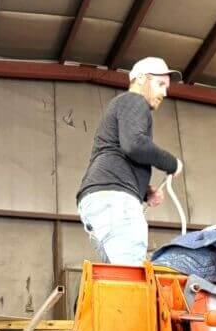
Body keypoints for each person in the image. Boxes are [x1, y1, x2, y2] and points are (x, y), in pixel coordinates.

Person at [76, 57, 184, 265]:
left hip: (100, 198)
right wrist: (172, 163)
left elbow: (117, 153)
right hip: (115, 201)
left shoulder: (120, 107)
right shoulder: (134, 100)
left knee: (117, 275)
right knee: (131, 275)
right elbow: (134, 145)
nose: (165, 93)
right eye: (160, 84)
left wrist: (145, 191)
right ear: (141, 79)